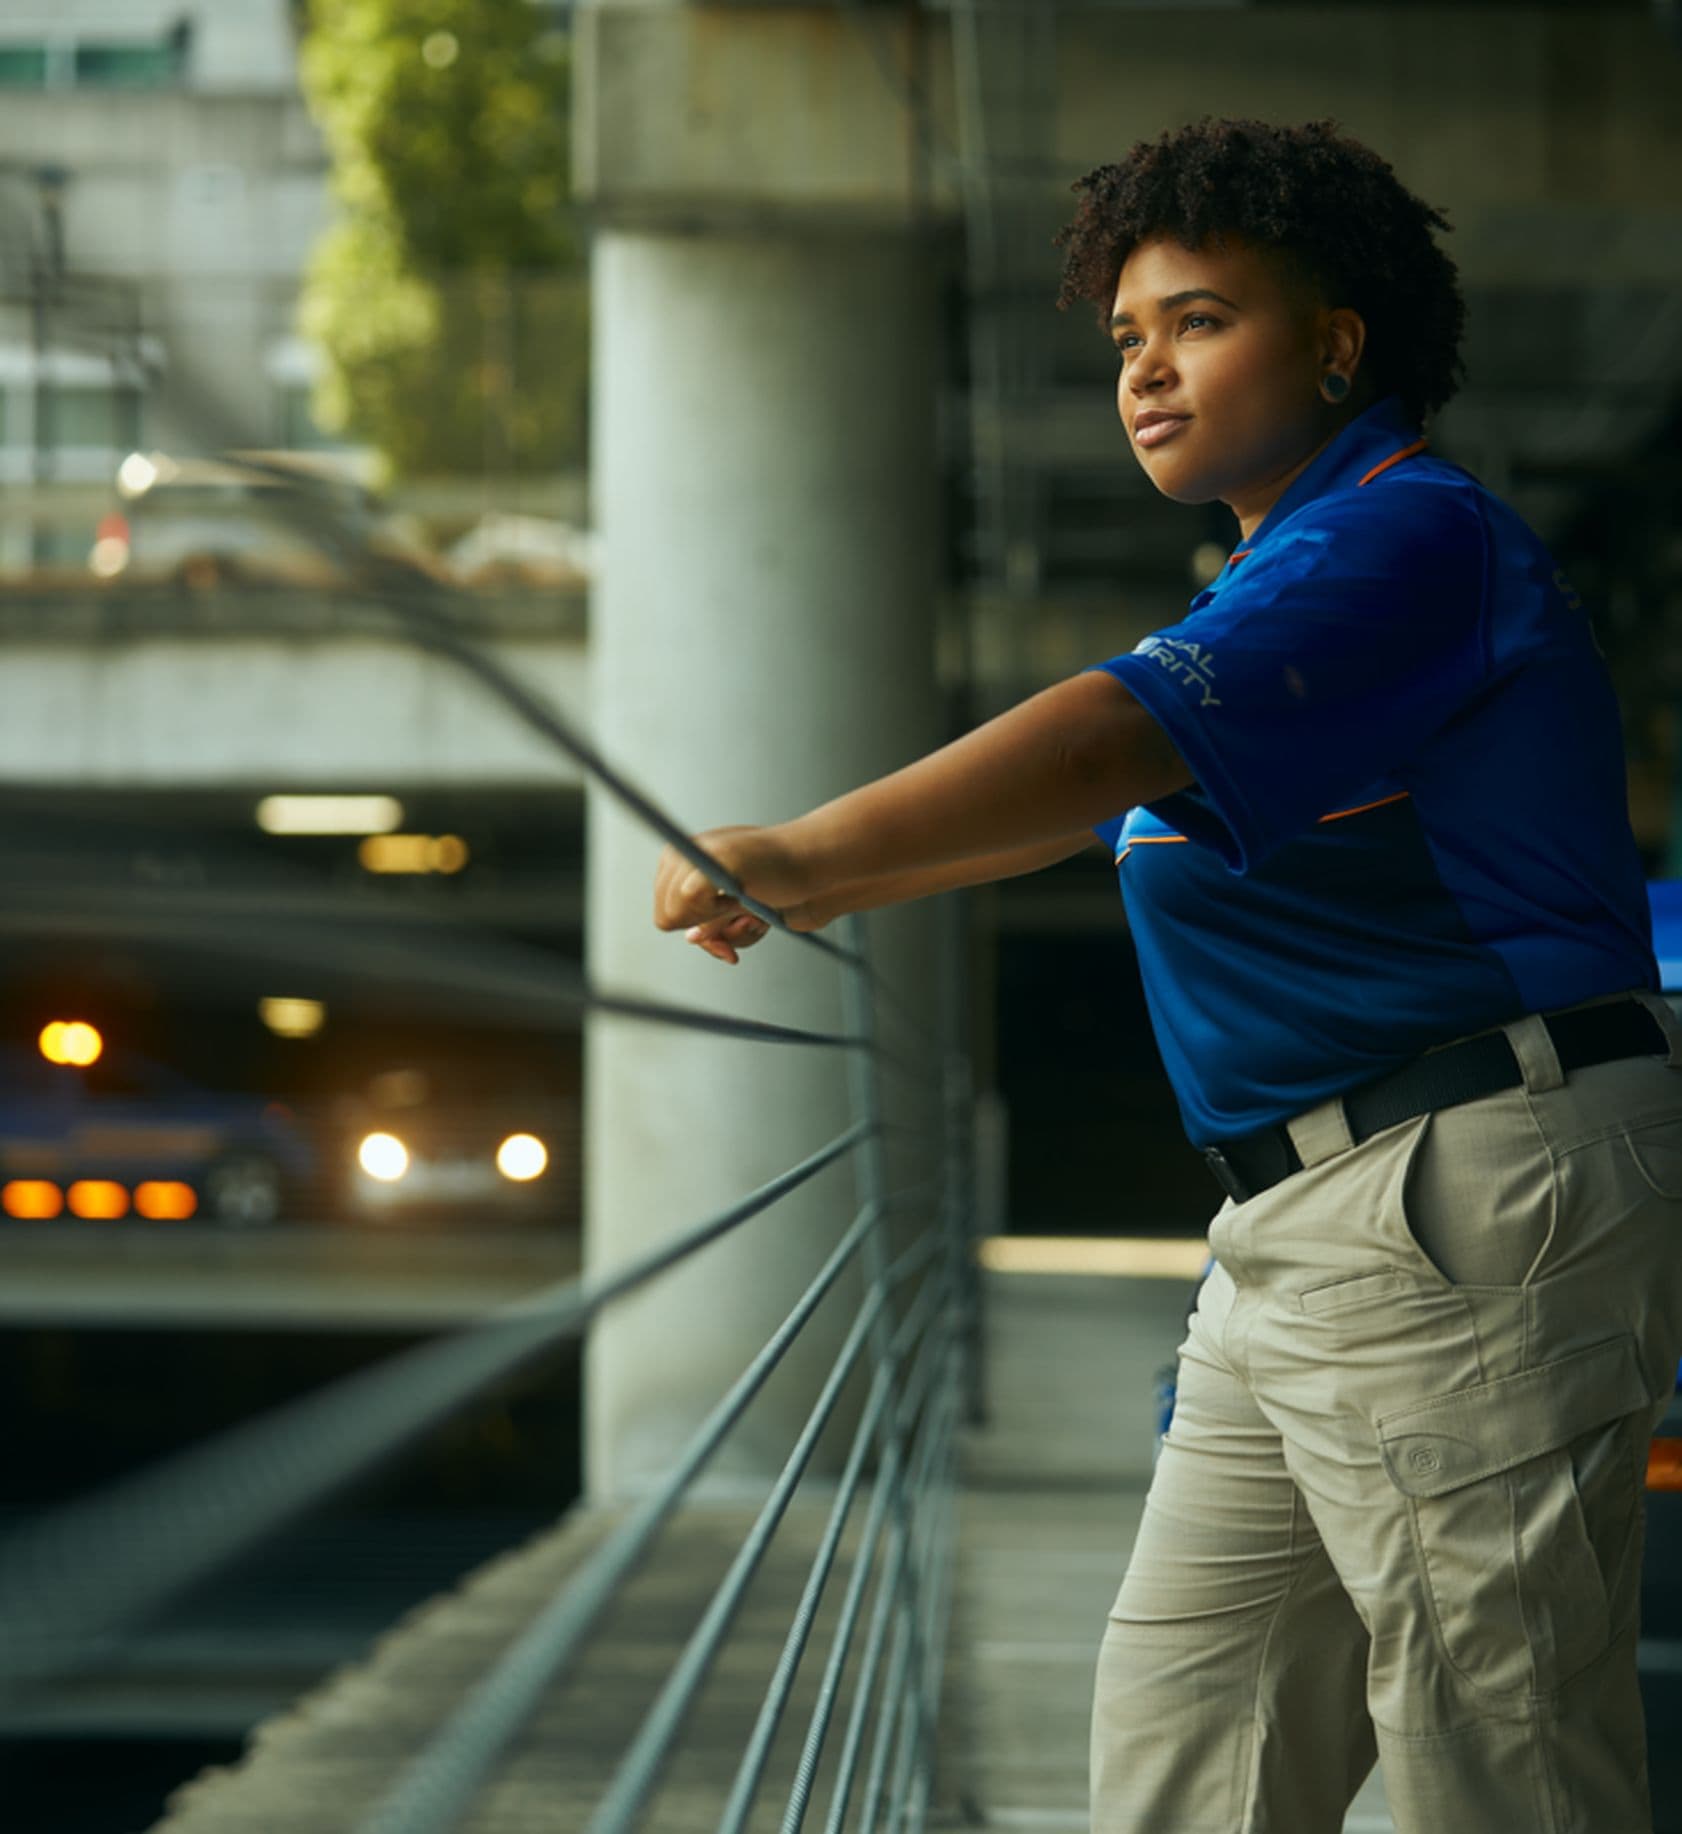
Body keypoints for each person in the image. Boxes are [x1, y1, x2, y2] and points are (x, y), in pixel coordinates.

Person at [652, 116, 1682, 1833]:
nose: (1142, 371)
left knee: (1488, 1765)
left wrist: (807, 854)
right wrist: (838, 875)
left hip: (1452, 1197)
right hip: (1307, 1229)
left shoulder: (1404, 535)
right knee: (1188, 1748)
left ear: (1337, 345)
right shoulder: (1292, 562)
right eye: (1126, 337)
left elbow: (1103, 742)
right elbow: (1068, 799)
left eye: (1197, 320)